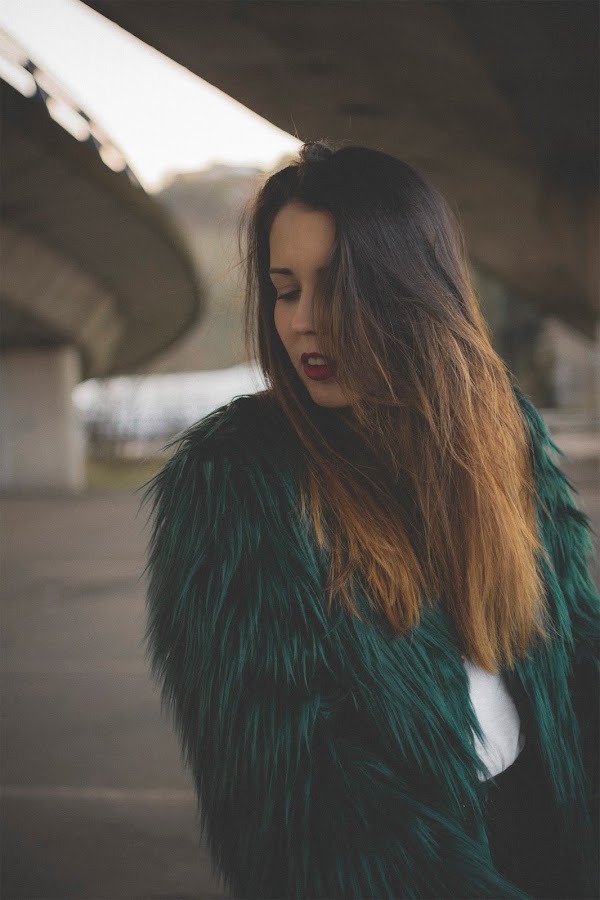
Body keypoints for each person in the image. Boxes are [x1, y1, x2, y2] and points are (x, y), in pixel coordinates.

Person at [140, 141, 598, 899]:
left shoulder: (500, 432)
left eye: (338, 287)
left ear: (412, 290)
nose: (303, 322)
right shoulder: (236, 479)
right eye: (285, 290)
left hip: (554, 829)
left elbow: (575, 646)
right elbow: (293, 791)